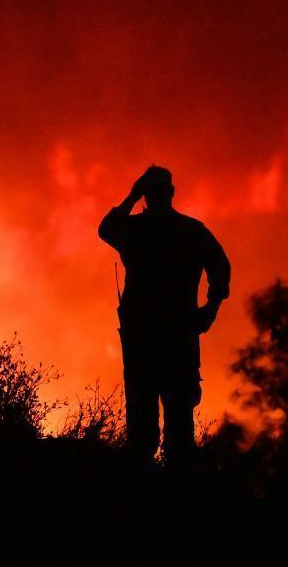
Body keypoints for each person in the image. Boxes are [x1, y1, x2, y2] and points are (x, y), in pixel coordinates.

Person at [98, 166, 230, 466]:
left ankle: (158, 494)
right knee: (167, 432)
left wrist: (209, 310)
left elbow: (107, 228)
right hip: (168, 339)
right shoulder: (188, 231)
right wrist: (209, 310)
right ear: (170, 192)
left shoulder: (141, 231)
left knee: (156, 433)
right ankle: (169, 495)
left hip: (157, 339)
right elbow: (220, 269)